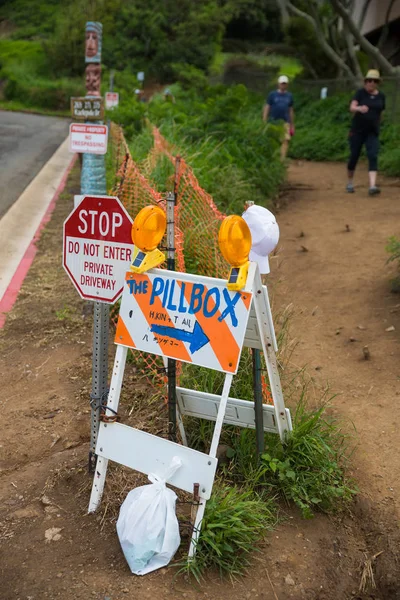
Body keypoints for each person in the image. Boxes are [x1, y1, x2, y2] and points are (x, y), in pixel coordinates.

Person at [347, 69, 385, 196]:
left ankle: (372, 186)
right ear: (365, 82)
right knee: (354, 156)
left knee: (373, 155)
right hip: (357, 131)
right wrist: (359, 108)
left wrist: (377, 124)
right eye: (369, 80)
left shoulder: (381, 96)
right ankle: (350, 182)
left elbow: (381, 112)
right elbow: (352, 107)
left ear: (377, 83)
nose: (371, 83)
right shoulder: (360, 93)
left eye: (374, 81)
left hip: (372, 132)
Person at [263, 75, 295, 160]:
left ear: (287, 85)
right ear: (278, 84)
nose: (283, 85)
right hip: (273, 121)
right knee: (273, 140)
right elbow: (267, 107)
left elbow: (290, 110)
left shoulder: (289, 96)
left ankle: (282, 159)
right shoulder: (272, 95)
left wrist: (292, 124)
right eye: (282, 83)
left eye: (285, 84)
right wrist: (264, 120)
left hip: (285, 121)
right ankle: (273, 158)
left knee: (285, 140)